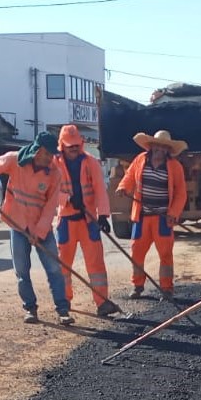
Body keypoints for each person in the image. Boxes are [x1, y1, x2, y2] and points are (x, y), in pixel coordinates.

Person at [0, 131, 73, 325]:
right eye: (46, 154)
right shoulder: (15, 160)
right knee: (22, 270)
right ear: (37, 150)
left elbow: (50, 207)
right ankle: (30, 308)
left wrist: (38, 233)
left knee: (54, 268)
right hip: (17, 223)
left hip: (40, 226)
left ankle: (63, 309)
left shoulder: (54, 174)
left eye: (52, 155)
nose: (49, 159)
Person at [54, 125, 119, 317]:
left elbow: (100, 189)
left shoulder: (91, 162)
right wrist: (66, 198)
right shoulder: (53, 164)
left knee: (96, 264)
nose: (74, 149)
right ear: (62, 146)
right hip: (66, 220)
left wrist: (104, 215)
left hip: (88, 220)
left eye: (76, 145)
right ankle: (63, 303)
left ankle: (102, 303)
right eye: (69, 146)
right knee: (63, 266)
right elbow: (48, 192)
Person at [116, 129, 188, 300]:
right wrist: (123, 187)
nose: (160, 150)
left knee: (165, 254)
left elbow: (181, 193)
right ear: (151, 146)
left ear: (168, 150)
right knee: (137, 253)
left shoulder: (175, 167)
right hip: (141, 216)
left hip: (163, 218)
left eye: (164, 147)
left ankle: (167, 288)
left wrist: (174, 213)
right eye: (157, 146)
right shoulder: (140, 160)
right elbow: (130, 176)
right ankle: (137, 285)